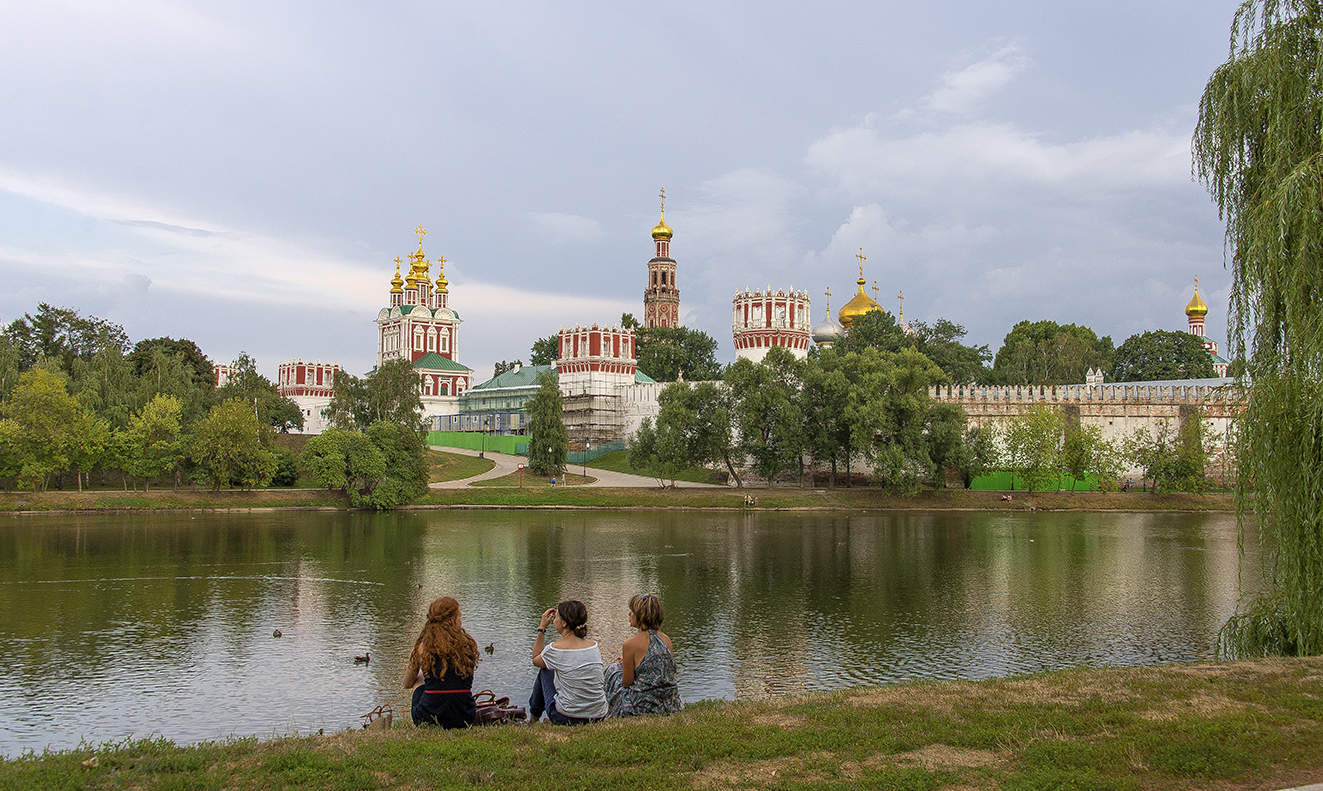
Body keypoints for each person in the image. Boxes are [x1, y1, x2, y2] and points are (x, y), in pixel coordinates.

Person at [403, 596, 480, 729]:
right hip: (464, 716)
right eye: (459, 616)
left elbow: (407, 683)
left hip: (428, 718)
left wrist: (422, 673)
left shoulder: (422, 648)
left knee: (419, 678)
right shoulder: (468, 645)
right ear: (453, 619)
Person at [603, 593, 683, 718]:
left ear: (640, 616)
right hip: (670, 703)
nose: (629, 614)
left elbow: (627, 683)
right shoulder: (666, 639)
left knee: (613, 669)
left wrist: (625, 666)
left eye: (632, 611)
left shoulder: (630, 644)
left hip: (642, 706)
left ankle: (608, 712)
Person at [529, 600, 607, 725]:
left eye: (556, 617)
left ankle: (533, 718)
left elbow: (535, 659)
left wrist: (542, 628)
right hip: (599, 715)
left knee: (545, 670)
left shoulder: (555, 649)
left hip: (567, 718)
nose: (553, 620)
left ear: (564, 623)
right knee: (551, 667)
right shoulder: (593, 646)